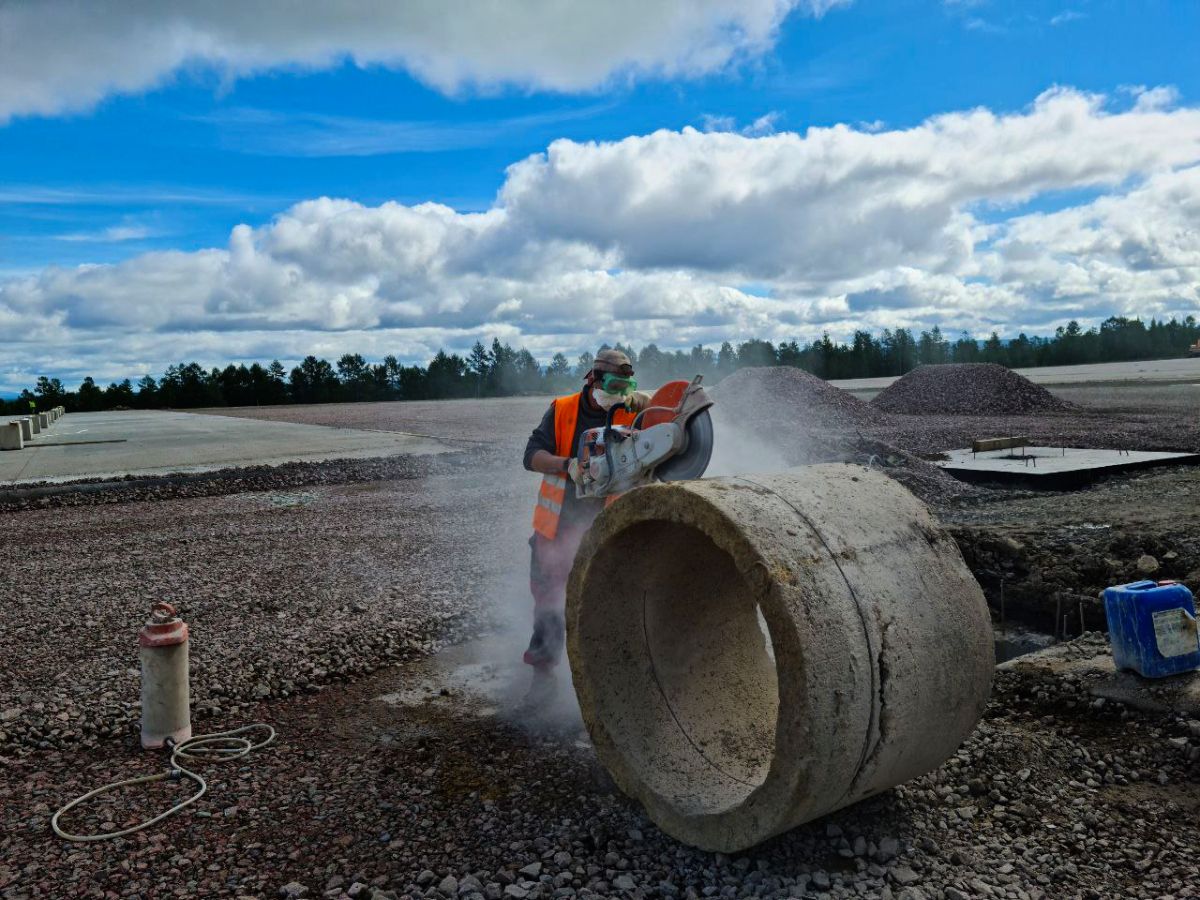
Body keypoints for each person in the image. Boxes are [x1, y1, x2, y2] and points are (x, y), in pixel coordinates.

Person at [521, 349, 651, 696]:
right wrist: (568, 465)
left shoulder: (630, 407)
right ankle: (543, 680)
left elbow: (667, 418)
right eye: (612, 384)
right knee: (549, 601)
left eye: (625, 386)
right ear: (592, 378)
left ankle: (608, 685)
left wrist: (643, 401)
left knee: (607, 603)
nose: (618, 393)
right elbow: (531, 456)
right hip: (557, 526)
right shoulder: (562, 410)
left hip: (607, 526)